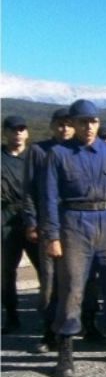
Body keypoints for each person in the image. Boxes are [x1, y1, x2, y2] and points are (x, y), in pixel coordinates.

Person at [42, 100, 106, 377]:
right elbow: (49, 198)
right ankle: (66, 348)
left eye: (93, 121)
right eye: (83, 121)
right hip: (74, 223)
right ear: (72, 123)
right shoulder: (58, 155)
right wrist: (52, 235)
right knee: (72, 285)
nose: (89, 127)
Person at [23, 109, 75, 351]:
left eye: (68, 124)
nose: (64, 129)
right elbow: (30, 190)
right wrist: (32, 221)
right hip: (48, 225)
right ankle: (49, 331)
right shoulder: (38, 151)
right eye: (60, 125)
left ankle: (84, 324)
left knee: (79, 280)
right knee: (50, 281)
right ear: (52, 126)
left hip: (77, 225)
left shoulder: (79, 150)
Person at [2, 116, 40, 334]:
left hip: (33, 218)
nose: (18, 133)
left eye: (21, 129)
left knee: (45, 271)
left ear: (27, 133)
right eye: (13, 129)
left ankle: (48, 317)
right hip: (6, 219)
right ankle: (11, 316)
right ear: (5, 132)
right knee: (6, 272)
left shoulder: (36, 158)